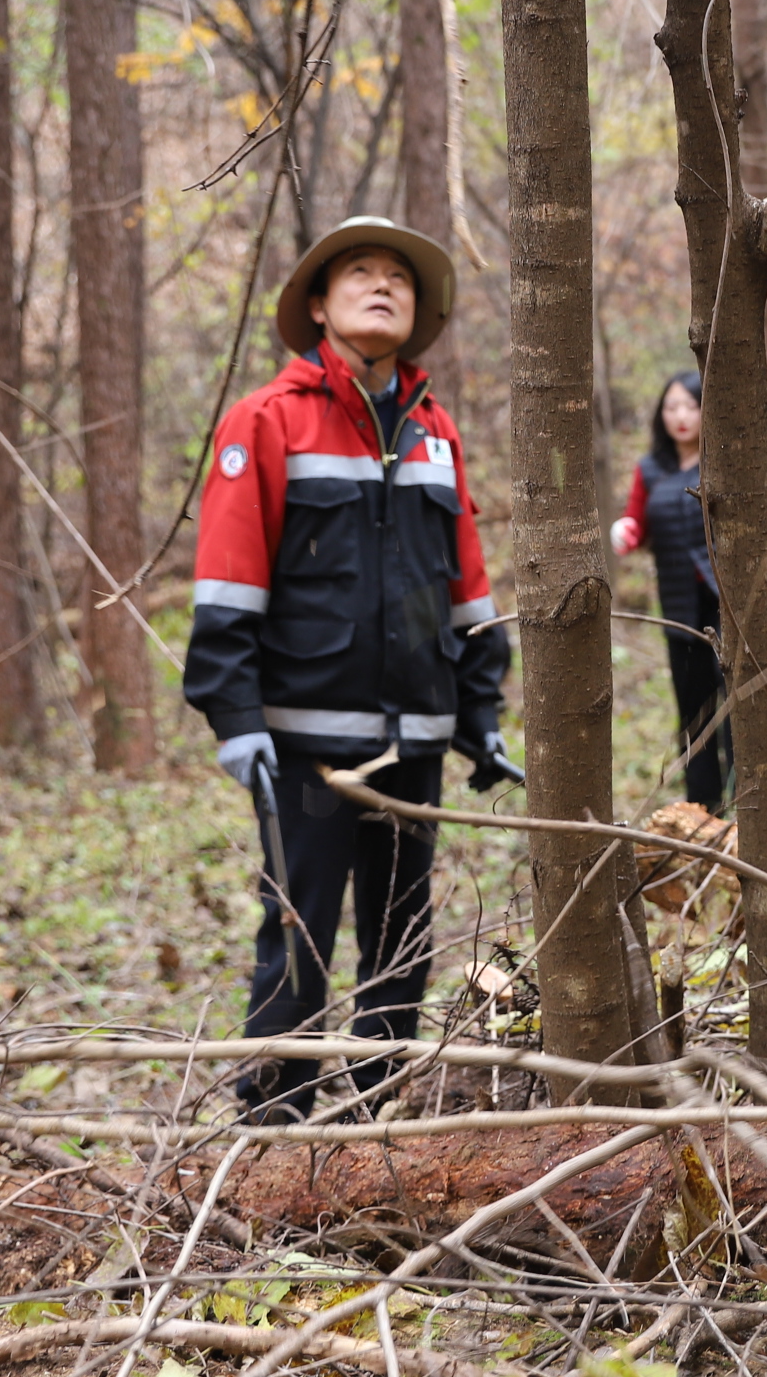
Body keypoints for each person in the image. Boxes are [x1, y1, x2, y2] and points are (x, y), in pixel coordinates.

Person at [180, 216, 519, 1121]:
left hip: (415, 741)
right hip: (305, 749)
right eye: (360, 274)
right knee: (298, 937)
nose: (383, 286)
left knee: (402, 941)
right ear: (319, 307)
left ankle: (381, 1129)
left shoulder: (433, 431)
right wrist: (236, 716)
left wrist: (480, 712)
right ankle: (276, 1134)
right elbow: (227, 582)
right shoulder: (265, 422)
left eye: (399, 279)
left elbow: (468, 586)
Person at [611, 370, 767, 814]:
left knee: (737, 705)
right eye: (671, 407)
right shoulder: (650, 469)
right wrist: (625, 531)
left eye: (690, 406)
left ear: (705, 412)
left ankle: (745, 802)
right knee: (693, 712)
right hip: (678, 608)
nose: (680, 416)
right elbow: (636, 521)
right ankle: (702, 808)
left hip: (728, 605)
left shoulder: (728, 459)